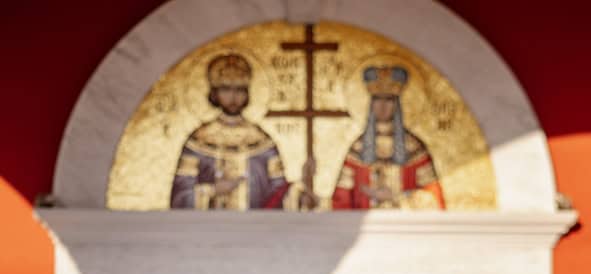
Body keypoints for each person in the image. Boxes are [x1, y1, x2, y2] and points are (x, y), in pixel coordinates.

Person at [170, 53, 316, 210]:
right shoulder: (198, 140)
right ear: (214, 93)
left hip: (258, 230)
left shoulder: (262, 141)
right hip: (208, 229)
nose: (233, 97)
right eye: (226, 89)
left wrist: (301, 194)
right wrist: (212, 191)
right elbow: (180, 197)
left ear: (247, 93)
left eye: (239, 90)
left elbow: (277, 194)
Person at [331, 65, 445, 210]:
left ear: (396, 104)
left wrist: (396, 198)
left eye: (389, 100)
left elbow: (433, 200)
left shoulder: (414, 148)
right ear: (371, 104)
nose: (383, 106)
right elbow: (341, 200)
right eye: (378, 99)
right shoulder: (358, 148)